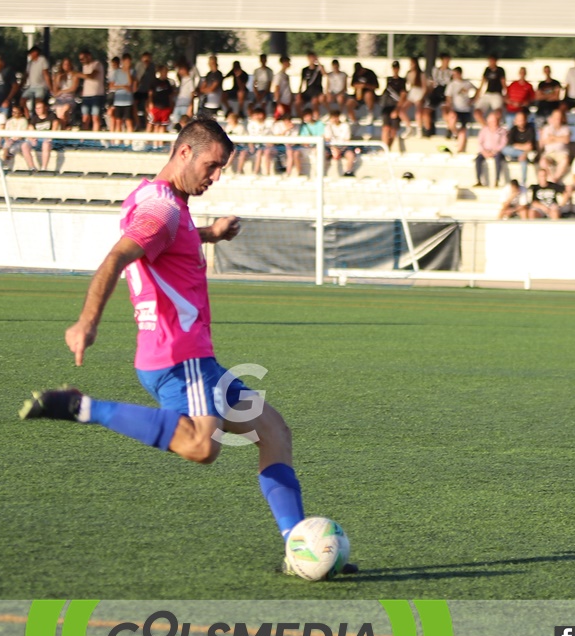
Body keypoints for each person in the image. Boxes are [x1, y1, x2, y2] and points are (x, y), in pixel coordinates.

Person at [19, 117, 357, 577]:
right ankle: (83, 408)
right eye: (212, 165)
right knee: (203, 446)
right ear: (184, 154)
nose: (216, 177)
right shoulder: (163, 210)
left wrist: (210, 235)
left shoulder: (158, 201)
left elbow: (167, 240)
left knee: (273, 431)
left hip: (196, 357)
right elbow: (118, 256)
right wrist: (87, 321)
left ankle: (297, 547)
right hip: (180, 356)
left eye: (221, 169)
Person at [474, 110, 507, 187]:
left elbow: (503, 143)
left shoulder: (502, 131)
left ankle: (497, 180)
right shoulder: (484, 130)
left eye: (494, 121)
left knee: (498, 159)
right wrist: (484, 152)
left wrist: (495, 151)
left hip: (497, 152)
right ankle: (479, 180)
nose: (493, 123)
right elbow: (480, 142)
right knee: (478, 159)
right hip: (485, 151)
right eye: (491, 121)